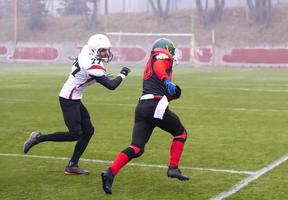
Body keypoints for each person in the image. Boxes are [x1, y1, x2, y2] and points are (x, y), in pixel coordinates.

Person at [23, 34, 131, 175]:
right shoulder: (93, 66)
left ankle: (72, 165)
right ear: (94, 50)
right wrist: (123, 74)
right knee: (75, 134)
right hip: (68, 98)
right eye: (102, 50)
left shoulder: (87, 50)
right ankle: (37, 138)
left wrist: (100, 77)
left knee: (89, 131)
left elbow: (93, 74)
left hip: (75, 97)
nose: (106, 53)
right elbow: (111, 86)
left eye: (106, 49)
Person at [101, 38, 189, 194]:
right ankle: (173, 168)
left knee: (136, 148)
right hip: (155, 105)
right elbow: (159, 65)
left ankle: (110, 172)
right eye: (171, 50)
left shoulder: (153, 64)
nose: (172, 53)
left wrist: (172, 95)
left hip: (143, 107)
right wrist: (165, 80)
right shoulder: (160, 55)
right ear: (165, 49)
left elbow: (162, 90)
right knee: (180, 133)